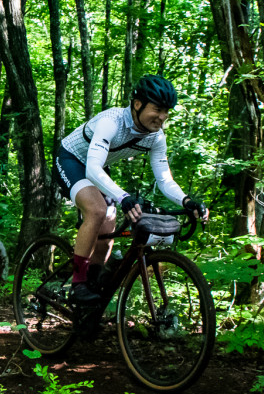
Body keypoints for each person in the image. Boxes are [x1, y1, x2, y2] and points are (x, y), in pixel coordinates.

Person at [52, 74, 208, 304]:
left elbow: (164, 179)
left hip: (97, 167)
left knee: (108, 228)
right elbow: (93, 169)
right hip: (71, 159)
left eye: (167, 111)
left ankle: (93, 283)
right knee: (96, 210)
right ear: (137, 104)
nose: (162, 117)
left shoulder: (156, 137)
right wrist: (123, 196)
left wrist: (186, 201)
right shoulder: (111, 122)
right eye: (157, 109)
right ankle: (78, 284)